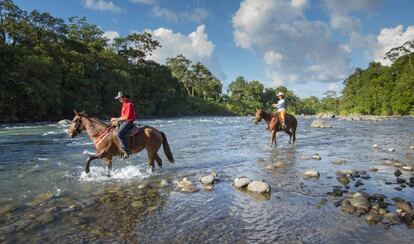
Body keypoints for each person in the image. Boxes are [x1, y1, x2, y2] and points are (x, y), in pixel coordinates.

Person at [111, 91, 136, 159]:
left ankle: (126, 151)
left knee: (119, 133)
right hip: (124, 122)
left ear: (124, 97)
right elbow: (122, 116)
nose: (119, 99)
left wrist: (116, 119)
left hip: (128, 122)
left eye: (120, 98)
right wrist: (116, 121)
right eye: (119, 98)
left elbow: (127, 117)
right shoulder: (124, 104)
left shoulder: (129, 104)